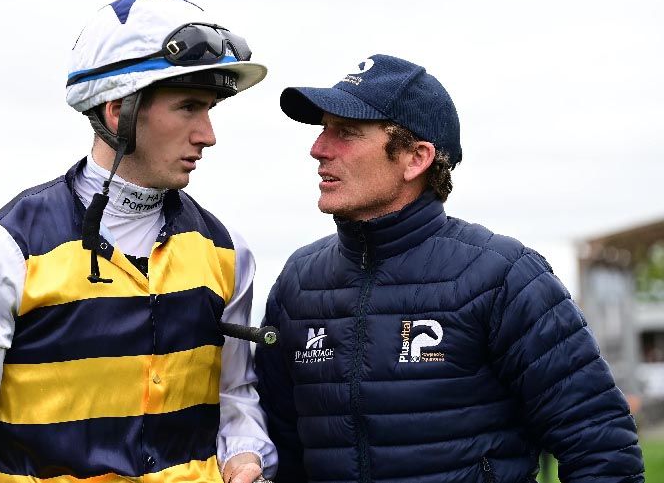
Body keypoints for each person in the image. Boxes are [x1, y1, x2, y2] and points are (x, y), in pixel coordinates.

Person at [0, 0, 276, 483]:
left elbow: (234, 400)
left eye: (210, 110)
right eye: (188, 108)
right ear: (119, 111)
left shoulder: (229, 252)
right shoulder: (3, 252)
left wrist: (245, 454)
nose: (208, 134)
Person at [254, 54, 645, 483]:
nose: (318, 148)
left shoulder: (505, 277)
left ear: (415, 158)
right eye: (323, 129)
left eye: (345, 132)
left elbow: (602, 448)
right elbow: (280, 454)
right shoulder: (299, 282)